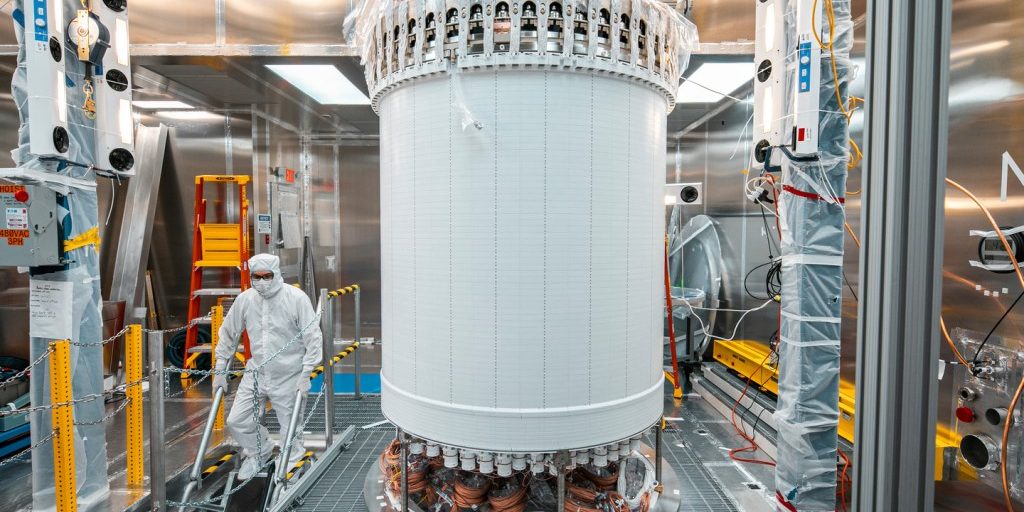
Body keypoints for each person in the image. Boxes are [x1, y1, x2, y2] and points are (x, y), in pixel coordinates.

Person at [212, 253, 323, 481]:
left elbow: (313, 336)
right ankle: (259, 452)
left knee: (290, 428)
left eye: (267, 276)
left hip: (289, 374)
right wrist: (221, 368)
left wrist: (306, 372)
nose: (262, 281)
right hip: (256, 372)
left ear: (277, 274)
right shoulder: (246, 300)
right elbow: (228, 333)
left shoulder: (296, 298)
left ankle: (290, 470)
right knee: (237, 420)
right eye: (257, 276)